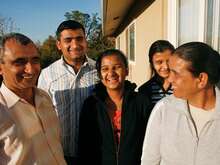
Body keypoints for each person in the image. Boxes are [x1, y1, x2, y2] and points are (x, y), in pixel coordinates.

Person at [141, 42, 220, 165]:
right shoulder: (164, 109)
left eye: (176, 73)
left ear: (201, 79)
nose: (170, 78)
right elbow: (149, 161)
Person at [37, 20, 99, 164]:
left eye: (79, 39)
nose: (75, 45)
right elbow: (40, 115)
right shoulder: (47, 74)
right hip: (59, 153)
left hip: (94, 151)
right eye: (68, 40)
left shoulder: (99, 71)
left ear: (85, 41)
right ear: (59, 45)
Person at [0, 33, 66, 164]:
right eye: (19, 62)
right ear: (1, 68)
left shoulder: (44, 97)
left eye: (35, 60)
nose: (31, 69)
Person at [78, 49, 151, 165]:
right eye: (105, 69)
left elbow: (150, 142)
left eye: (117, 67)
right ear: (99, 75)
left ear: (126, 71)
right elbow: (85, 146)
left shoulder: (141, 102)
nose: (111, 73)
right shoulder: (91, 105)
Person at [138, 40, 175, 110]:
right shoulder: (144, 91)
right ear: (152, 63)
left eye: (169, 61)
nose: (166, 66)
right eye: (159, 62)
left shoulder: (183, 87)